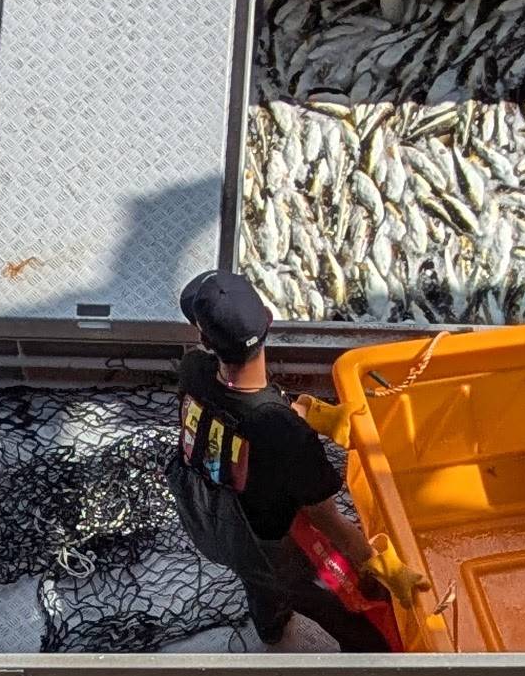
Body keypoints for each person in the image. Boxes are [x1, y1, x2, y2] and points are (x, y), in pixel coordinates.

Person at [173, 269, 405, 652]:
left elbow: (238, 400)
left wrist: (305, 409)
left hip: (209, 518)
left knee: (258, 583)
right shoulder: (287, 436)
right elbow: (330, 523)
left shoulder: (193, 370)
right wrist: (383, 567)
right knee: (336, 604)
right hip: (270, 549)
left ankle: (270, 628)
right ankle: (374, 656)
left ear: (203, 339)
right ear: (269, 320)